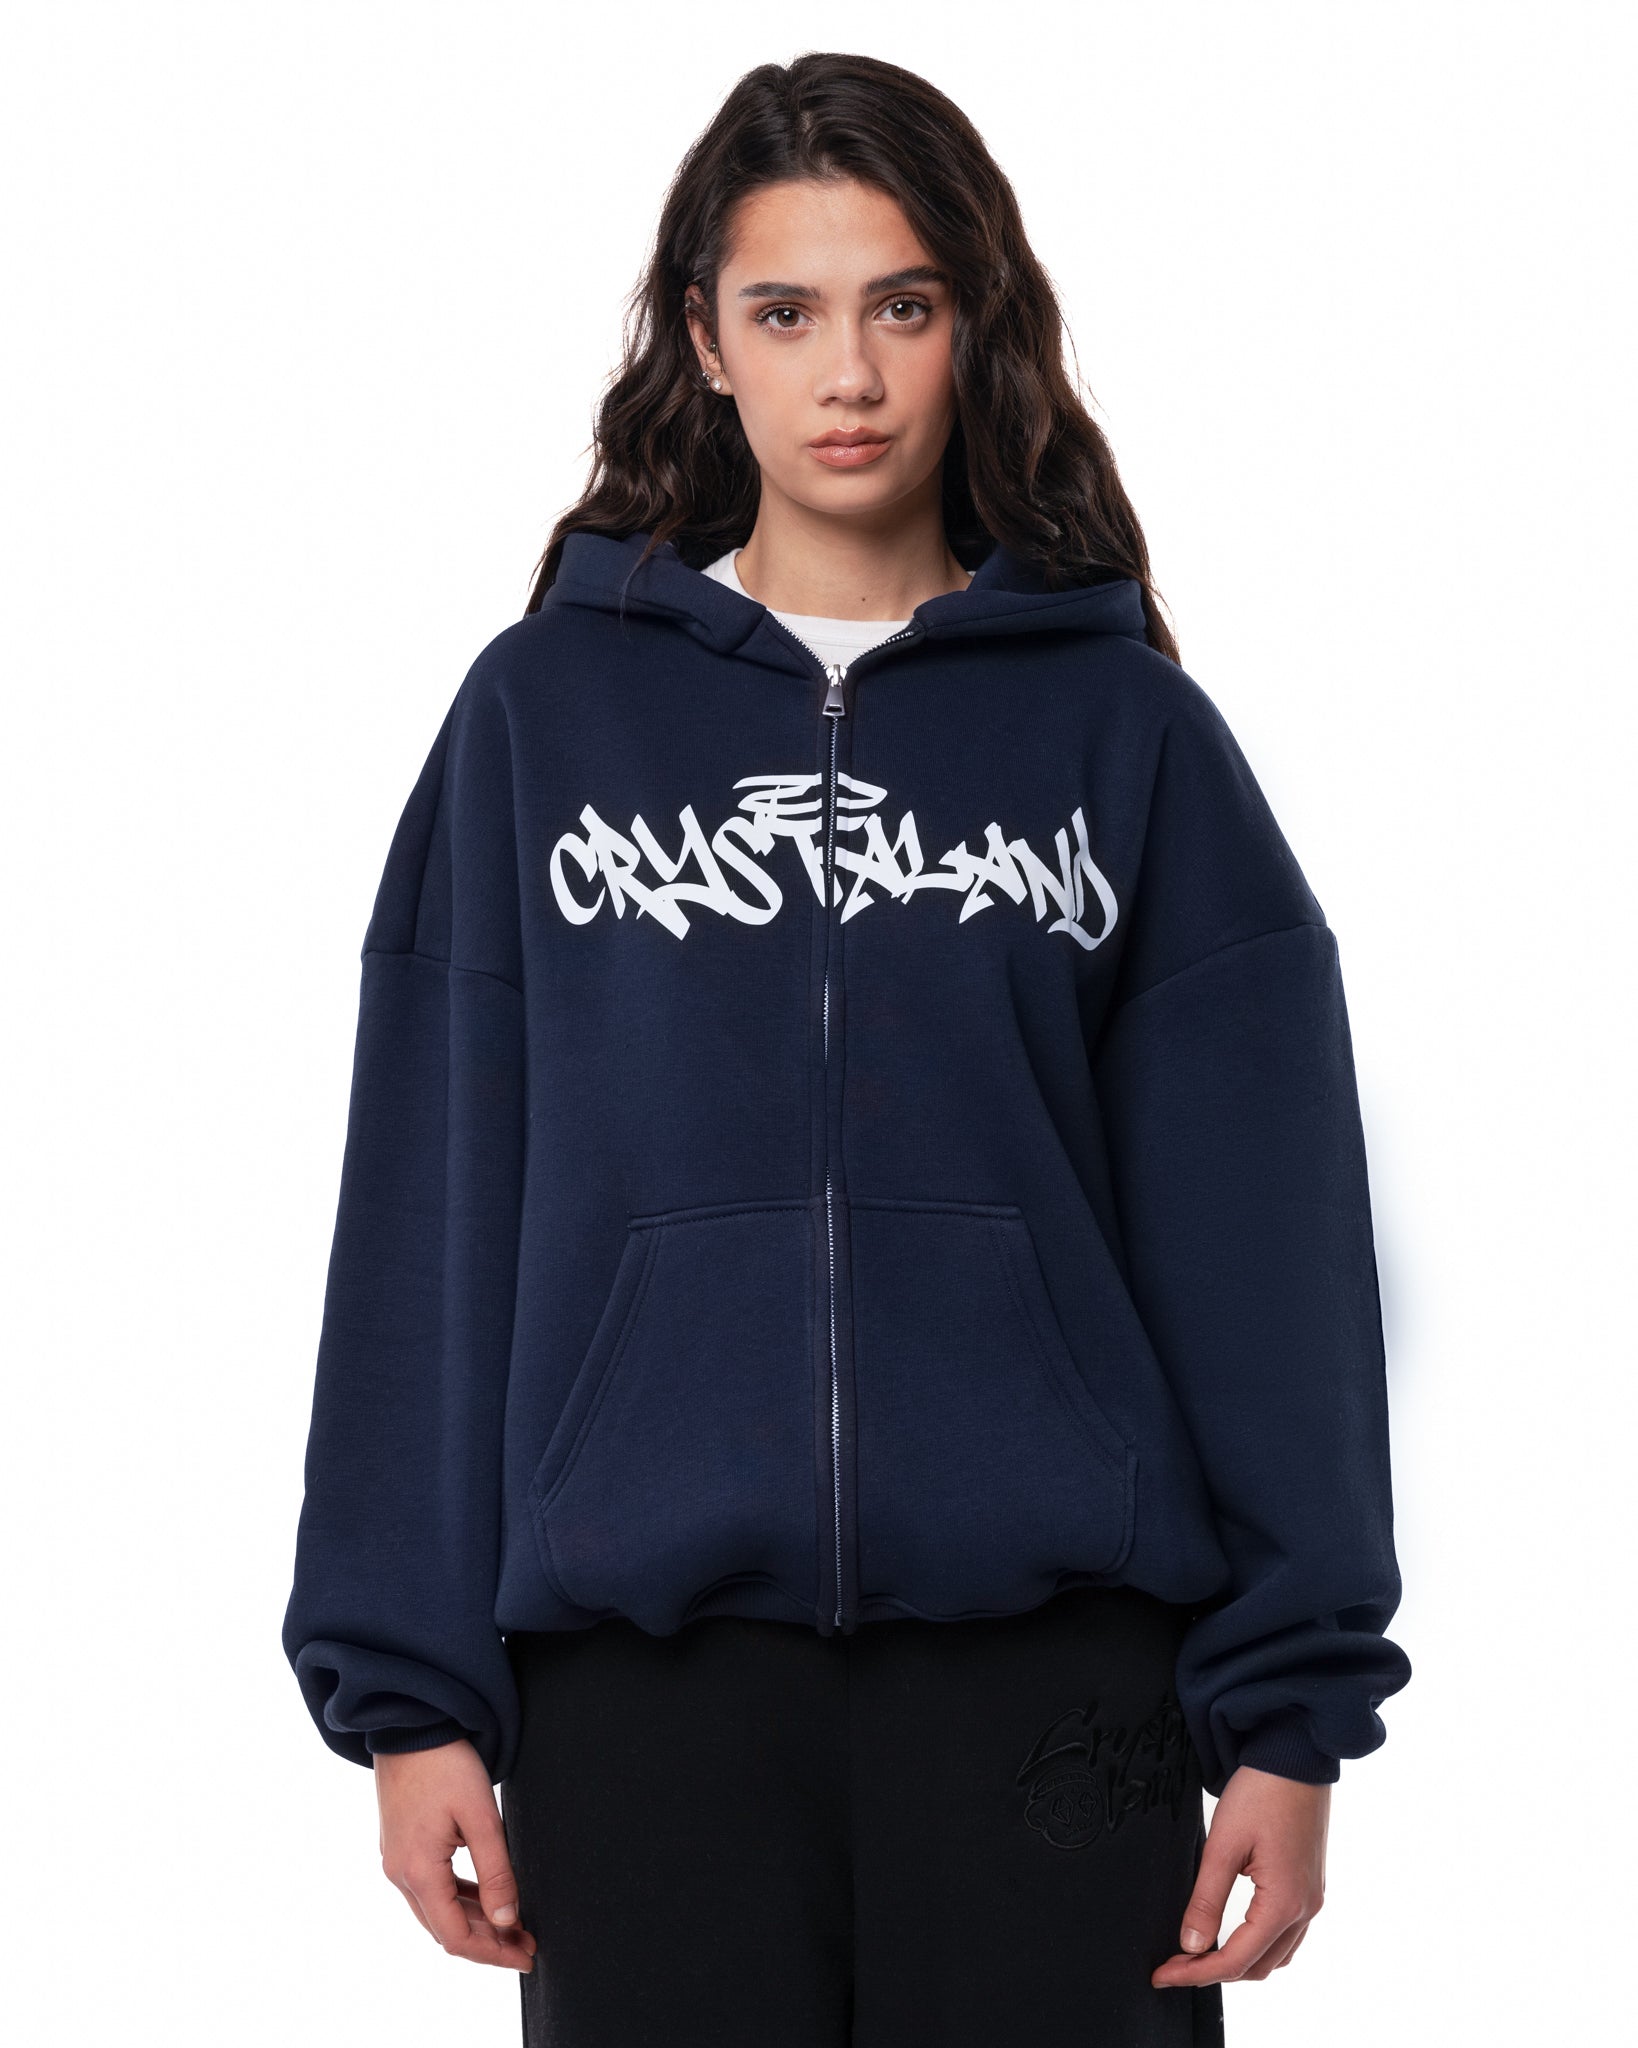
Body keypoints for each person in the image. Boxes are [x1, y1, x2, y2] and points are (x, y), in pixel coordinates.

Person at [282, 49, 1411, 2047]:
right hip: (640, 1693)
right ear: (702, 341)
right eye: (787, 312)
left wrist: (1289, 1710)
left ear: (978, 322)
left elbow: (1264, 1243)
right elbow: (433, 1213)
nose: (853, 375)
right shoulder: (544, 720)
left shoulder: (1123, 733)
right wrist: (409, 1690)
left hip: (1060, 1682)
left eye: (904, 304)